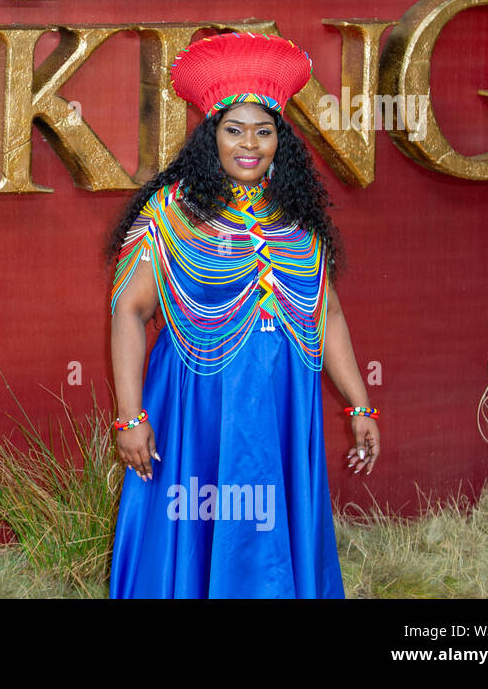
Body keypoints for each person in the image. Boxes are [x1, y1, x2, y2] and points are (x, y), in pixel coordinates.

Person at [105, 32, 380, 598]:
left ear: (281, 138)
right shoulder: (171, 213)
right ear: (212, 137)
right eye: (234, 130)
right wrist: (131, 416)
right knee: (197, 523)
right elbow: (130, 312)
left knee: (275, 524)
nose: (249, 143)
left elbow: (326, 312)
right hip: (197, 408)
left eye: (264, 130)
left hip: (283, 405)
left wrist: (359, 403)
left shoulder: (296, 217)